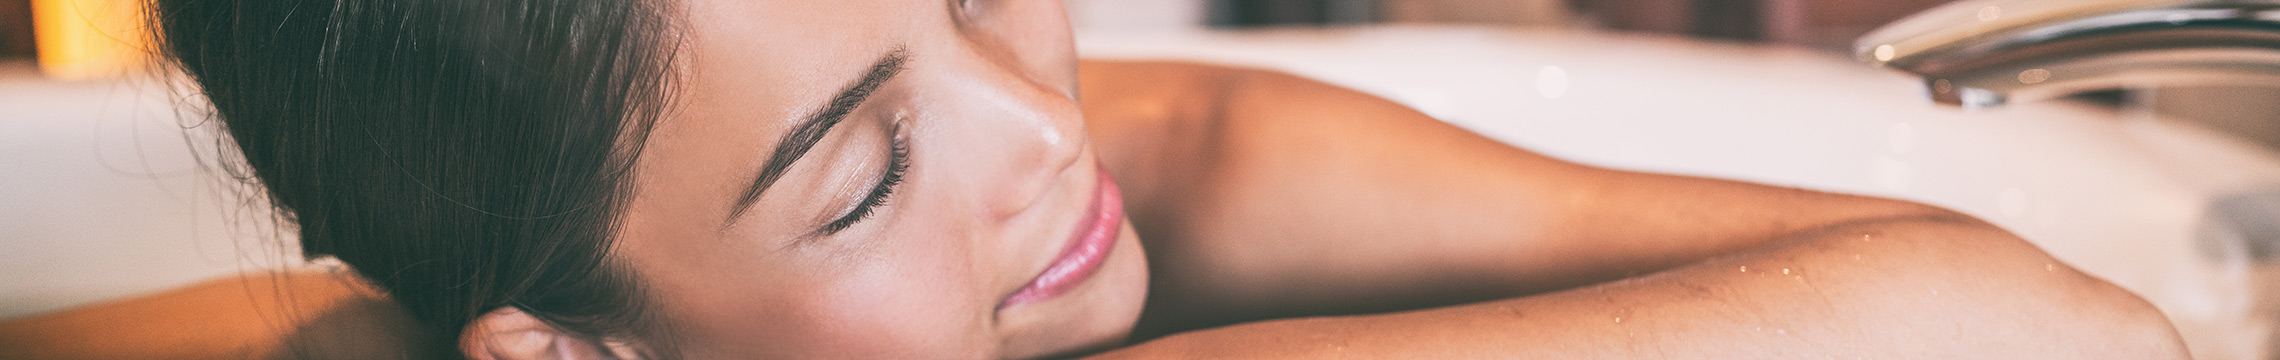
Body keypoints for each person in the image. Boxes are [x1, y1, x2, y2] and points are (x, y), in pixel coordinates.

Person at [0, 0, 2190, 358]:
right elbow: (2013, 328)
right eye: (859, 172)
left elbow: (2063, 325)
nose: (1046, 125)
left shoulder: (1075, 155)